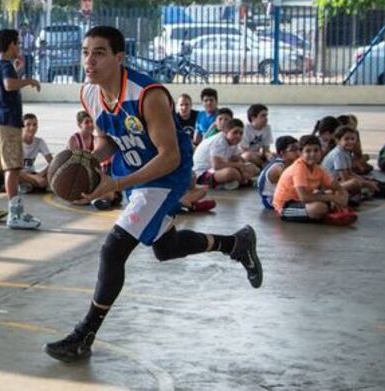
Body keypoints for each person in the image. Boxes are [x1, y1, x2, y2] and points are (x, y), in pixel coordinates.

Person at [44, 26, 262, 363]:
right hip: (135, 174)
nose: (89, 60)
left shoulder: (148, 94)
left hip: (166, 174)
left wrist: (115, 185)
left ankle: (84, 335)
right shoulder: (89, 93)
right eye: (86, 52)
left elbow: (170, 155)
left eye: (99, 53)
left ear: (120, 57)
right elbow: (109, 140)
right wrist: (84, 161)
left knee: (113, 249)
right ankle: (235, 243)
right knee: (165, 248)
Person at [0, 28, 42, 229]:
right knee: (13, 168)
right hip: (8, 122)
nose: (20, 47)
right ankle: (15, 215)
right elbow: (9, 85)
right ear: (12, 44)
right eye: (18, 43)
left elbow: (6, 82)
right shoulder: (6, 67)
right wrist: (28, 80)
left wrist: (18, 71)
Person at [272, 135, 356, 225]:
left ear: (321, 152)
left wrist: (341, 196)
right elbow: (304, 198)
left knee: (337, 193)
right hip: (286, 206)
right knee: (319, 208)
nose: (312, 154)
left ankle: (333, 212)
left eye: (316, 150)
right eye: (308, 151)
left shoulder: (318, 169)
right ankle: (326, 215)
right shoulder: (299, 167)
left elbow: (338, 188)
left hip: (303, 202)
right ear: (300, 153)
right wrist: (333, 198)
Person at [67, 111, 122, 210]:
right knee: (109, 193)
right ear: (79, 124)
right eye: (87, 122)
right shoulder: (74, 139)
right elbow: (73, 165)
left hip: (94, 175)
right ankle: (102, 198)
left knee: (110, 190)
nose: (90, 125)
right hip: (77, 175)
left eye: (92, 121)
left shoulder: (97, 139)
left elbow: (101, 161)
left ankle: (102, 198)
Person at [192, 118, 259, 190]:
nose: (238, 136)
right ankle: (243, 181)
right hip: (202, 174)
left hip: (217, 170)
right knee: (231, 173)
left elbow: (236, 158)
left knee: (252, 168)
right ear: (225, 132)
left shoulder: (233, 141)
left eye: (241, 133)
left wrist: (243, 166)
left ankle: (237, 181)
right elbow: (216, 166)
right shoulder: (219, 141)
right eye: (235, 132)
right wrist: (238, 166)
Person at [258, 136, 299, 209]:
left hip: (279, 195)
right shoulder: (279, 168)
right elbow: (294, 185)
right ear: (282, 153)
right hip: (271, 200)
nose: (298, 152)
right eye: (293, 150)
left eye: (299, 149)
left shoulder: (287, 163)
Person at [19, 113, 53, 193]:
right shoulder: (15, 142)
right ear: (22, 127)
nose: (32, 127)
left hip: (32, 173)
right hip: (18, 174)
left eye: (35, 124)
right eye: (28, 125)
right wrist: (33, 177)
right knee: (11, 174)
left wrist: (40, 174)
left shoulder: (39, 142)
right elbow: (11, 168)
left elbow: (52, 162)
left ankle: (30, 185)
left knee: (56, 172)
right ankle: (32, 184)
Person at [241, 104, 274, 168]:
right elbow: (244, 151)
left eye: (266, 116)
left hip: (258, 156)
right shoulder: (245, 129)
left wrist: (268, 155)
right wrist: (262, 154)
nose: (266, 118)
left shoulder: (267, 128)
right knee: (248, 155)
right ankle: (266, 167)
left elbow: (266, 149)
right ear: (253, 118)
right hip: (244, 157)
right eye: (263, 116)